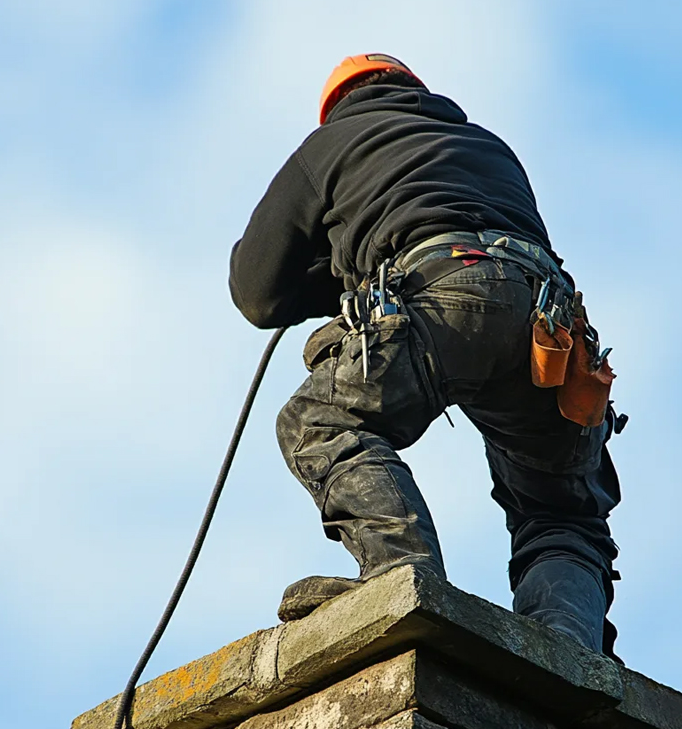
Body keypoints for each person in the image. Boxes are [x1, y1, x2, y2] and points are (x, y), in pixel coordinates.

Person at [229, 54, 623, 657]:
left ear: (335, 106)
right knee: (563, 511)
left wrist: (339, 274)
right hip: (548, 325)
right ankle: (568, 646)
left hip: (439, 298)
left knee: (319, 421)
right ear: (416, 90)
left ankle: (399, 575)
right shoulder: (488, 145)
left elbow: (258, 292)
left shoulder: (328, 145)